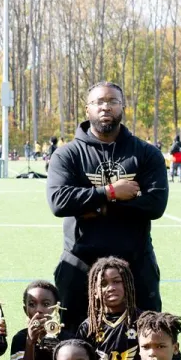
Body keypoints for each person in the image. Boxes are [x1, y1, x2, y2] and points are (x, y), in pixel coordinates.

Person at [46, 82, 168, 332]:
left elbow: (155, 205)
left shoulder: (146, 153)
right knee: (74, 338)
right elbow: (59, 201)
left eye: (112, 101)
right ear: (87, 109)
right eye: (99, 102)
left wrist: (99, 207)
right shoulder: (67, 154)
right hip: (80, 264)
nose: (106, 107)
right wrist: (111, 192)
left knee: (147, 335)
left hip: (136, 264)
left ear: (123, 107)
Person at [77, 256, 140, 360]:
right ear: (94, 291)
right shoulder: (88, 328)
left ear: (127, 284)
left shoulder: (143, 321)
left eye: (117, 281)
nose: (111, 288)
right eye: (104, 284)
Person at [11, 279, 77, 360]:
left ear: (57, 308)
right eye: (32, 304)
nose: (39, 310)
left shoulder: (69, 339)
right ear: (25, 309)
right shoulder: (20, 338)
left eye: (46, 304)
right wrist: (30, 342)